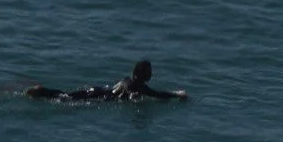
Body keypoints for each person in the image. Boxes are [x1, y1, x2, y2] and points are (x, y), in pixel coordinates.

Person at [25, 59, 188, 104]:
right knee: (67, 99)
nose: (151, 74)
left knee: (68, 95)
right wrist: (177, 94)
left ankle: (41, 92)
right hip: (101, 97)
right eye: (149, 72)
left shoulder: (128, 80)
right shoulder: (139, 86)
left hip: (99, 90)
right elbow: (159, 95)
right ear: (142, 74)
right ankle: (41, 92)